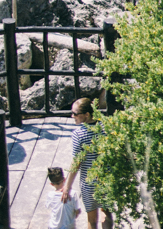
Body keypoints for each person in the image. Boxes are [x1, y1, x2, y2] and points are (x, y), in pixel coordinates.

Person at [62, 98, 112, 229]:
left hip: (88, 182)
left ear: (87, 115)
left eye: (75, 113)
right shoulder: (106, 127)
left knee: (91, 219)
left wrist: (67, 186)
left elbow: (76, 163)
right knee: (106, 213)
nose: (72, 116)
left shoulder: (78, 134)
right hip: (107, 178)